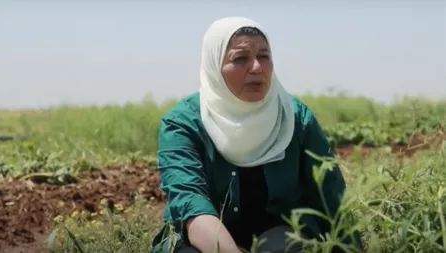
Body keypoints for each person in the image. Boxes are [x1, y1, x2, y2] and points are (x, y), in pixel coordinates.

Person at [150, 17, 363, 253]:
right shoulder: (182, 124)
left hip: (282, 233)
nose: (256, 68)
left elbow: (330, 198)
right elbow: (191, 204)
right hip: (204, 235)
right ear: (213, 67)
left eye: (264, 56)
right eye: (240, 59)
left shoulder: (295, 118)